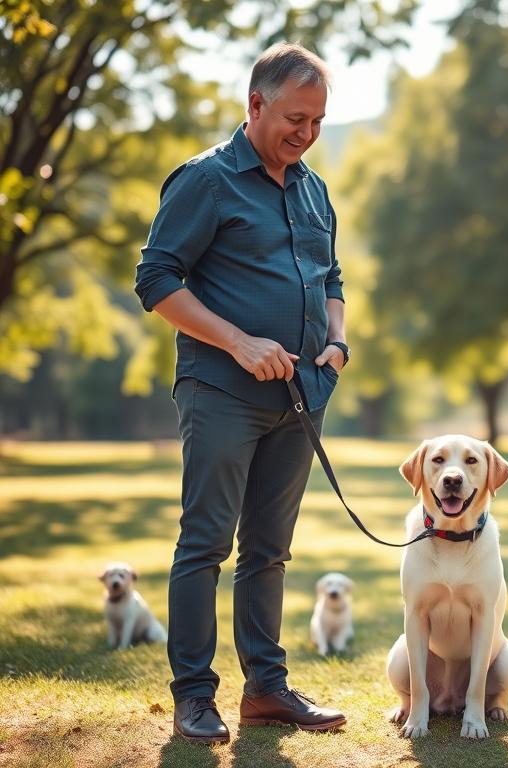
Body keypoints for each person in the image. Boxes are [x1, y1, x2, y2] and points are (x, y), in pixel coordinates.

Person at [135, 42, 349, 743]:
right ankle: (195, 696)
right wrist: (238, 341)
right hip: (221, 391)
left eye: (317, 121)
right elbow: (157, 280)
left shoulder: (314, 188)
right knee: (205, 544)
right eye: (295, 118)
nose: (307, 134)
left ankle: (267, 690)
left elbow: (332, 280)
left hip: (302, 399)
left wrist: (337, 343)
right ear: (254, 105)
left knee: (270, 550)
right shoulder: (206, 180)